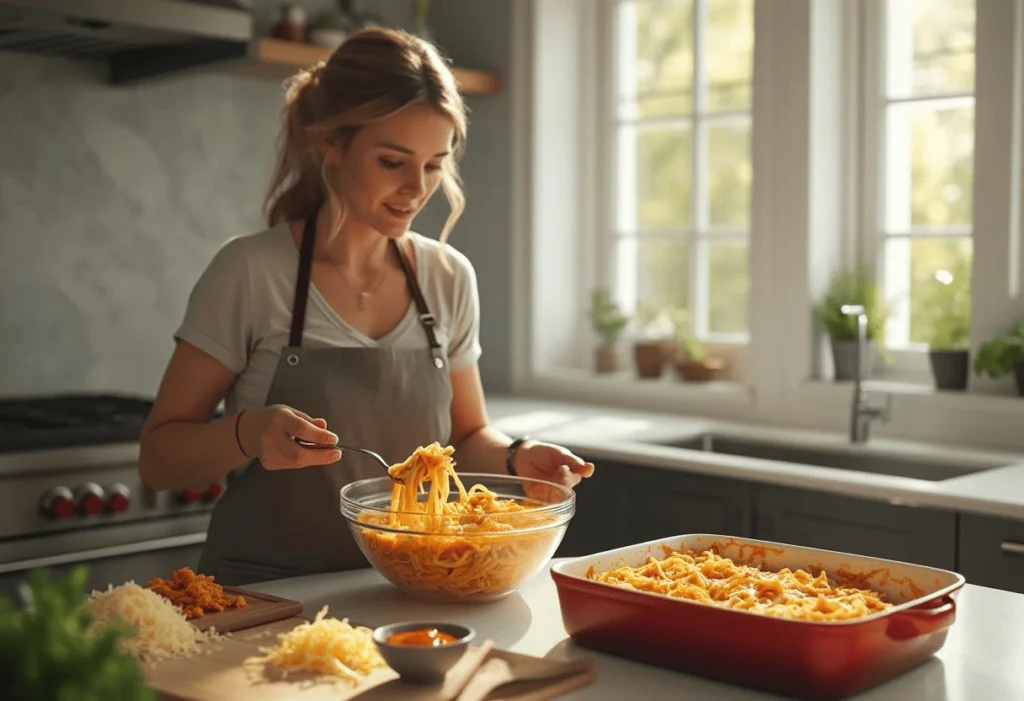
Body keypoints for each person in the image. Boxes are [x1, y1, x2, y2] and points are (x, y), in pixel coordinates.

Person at [138, 26, 595, 586]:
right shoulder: (252, 272)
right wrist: (245, 435)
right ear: (331, 144)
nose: (417, 189)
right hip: (263, 596)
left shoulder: (447, 277)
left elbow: (468, 435)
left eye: (434, 165)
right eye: (392, 161)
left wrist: (516, 457)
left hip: (407, 590)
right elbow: (158, 461)